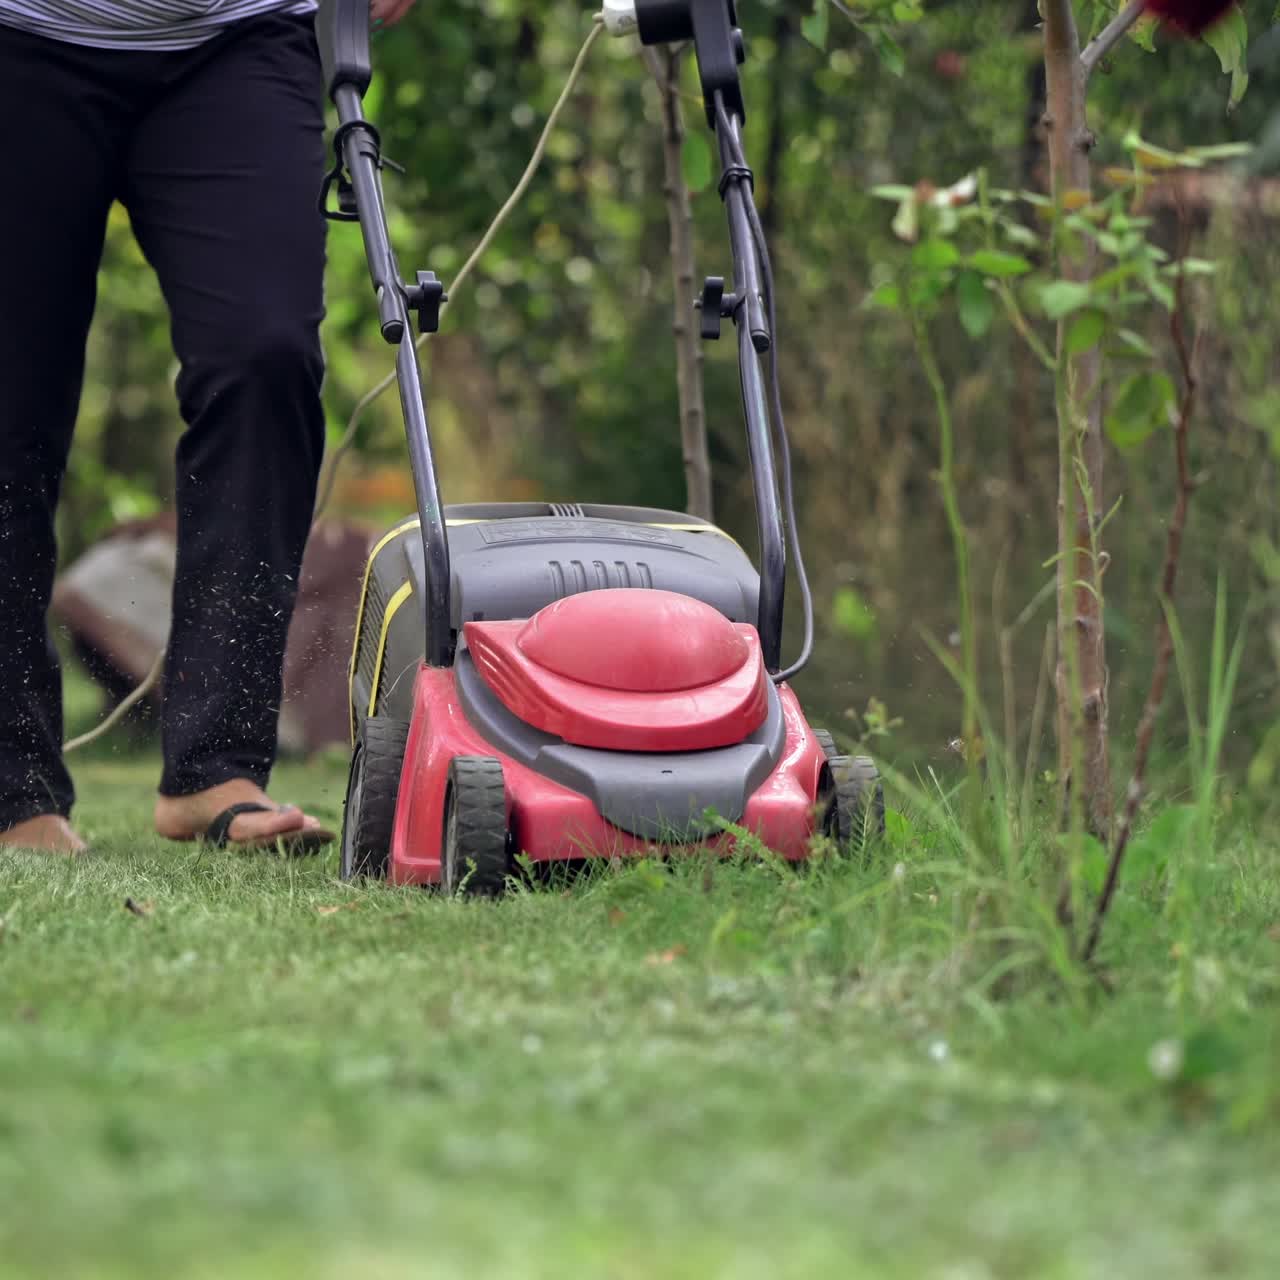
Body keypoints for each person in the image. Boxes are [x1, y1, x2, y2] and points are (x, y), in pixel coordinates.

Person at [0, 0, 416, 856]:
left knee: (267, 354)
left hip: (238, 34)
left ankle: (215, 768)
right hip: (22, 36)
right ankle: (14, 789)